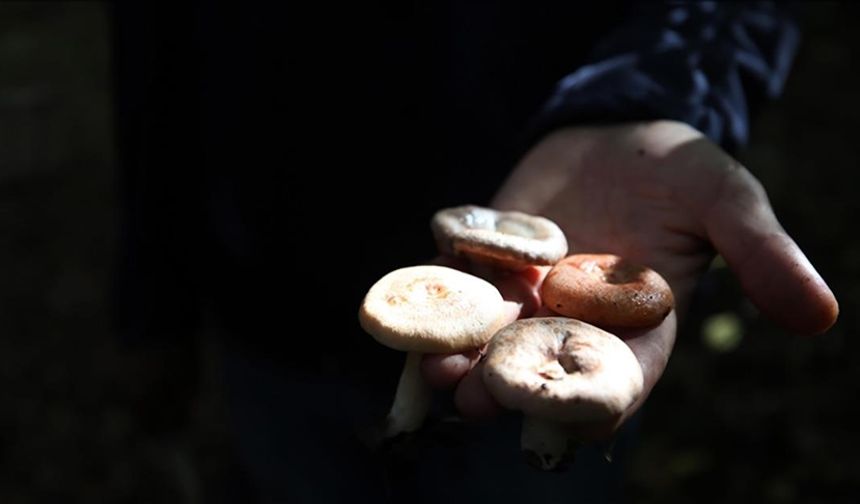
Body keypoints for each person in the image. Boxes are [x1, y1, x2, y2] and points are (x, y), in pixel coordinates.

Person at [111, 2, 838, 503]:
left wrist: (651, 96)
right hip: (268, 308)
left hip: (514, 336)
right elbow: (152, 51)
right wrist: (152, 297)